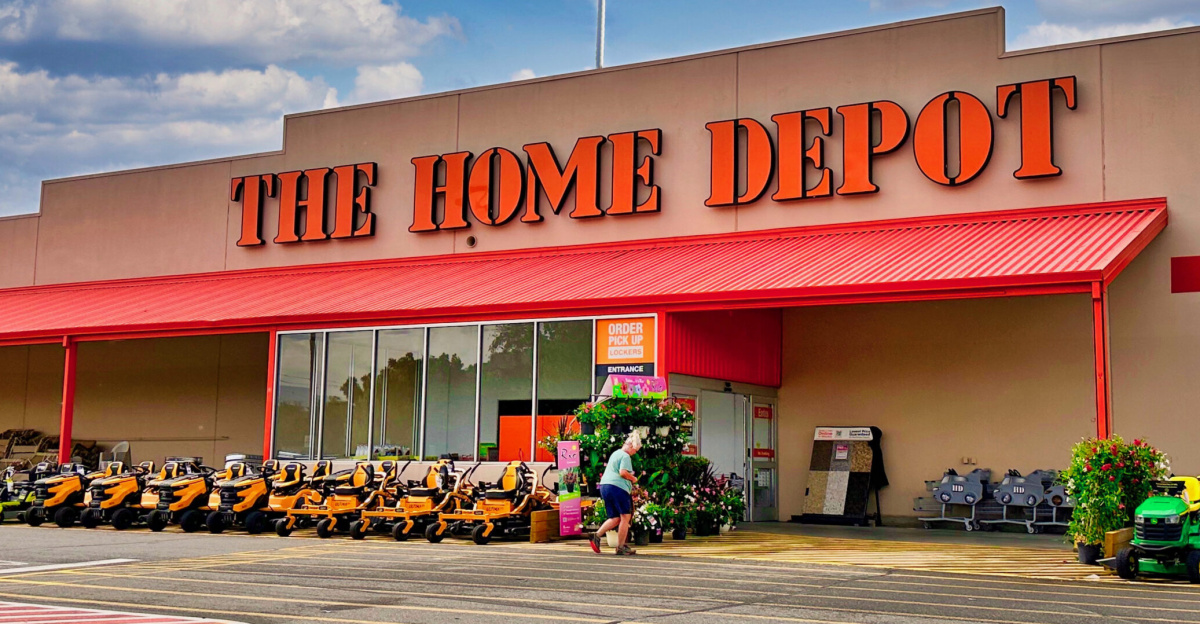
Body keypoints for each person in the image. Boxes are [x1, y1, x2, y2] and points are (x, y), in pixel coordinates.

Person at [590, 432, 641, 555]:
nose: (635, 453)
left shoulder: (615, 453)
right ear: (631, 446)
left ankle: (596, 536)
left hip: (605, 486)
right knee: (625, 517)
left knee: (615, 517)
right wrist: (633, 479)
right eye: (635, 450)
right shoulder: (625, 456)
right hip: (618, 488)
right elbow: (623, 473)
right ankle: (620, 546)